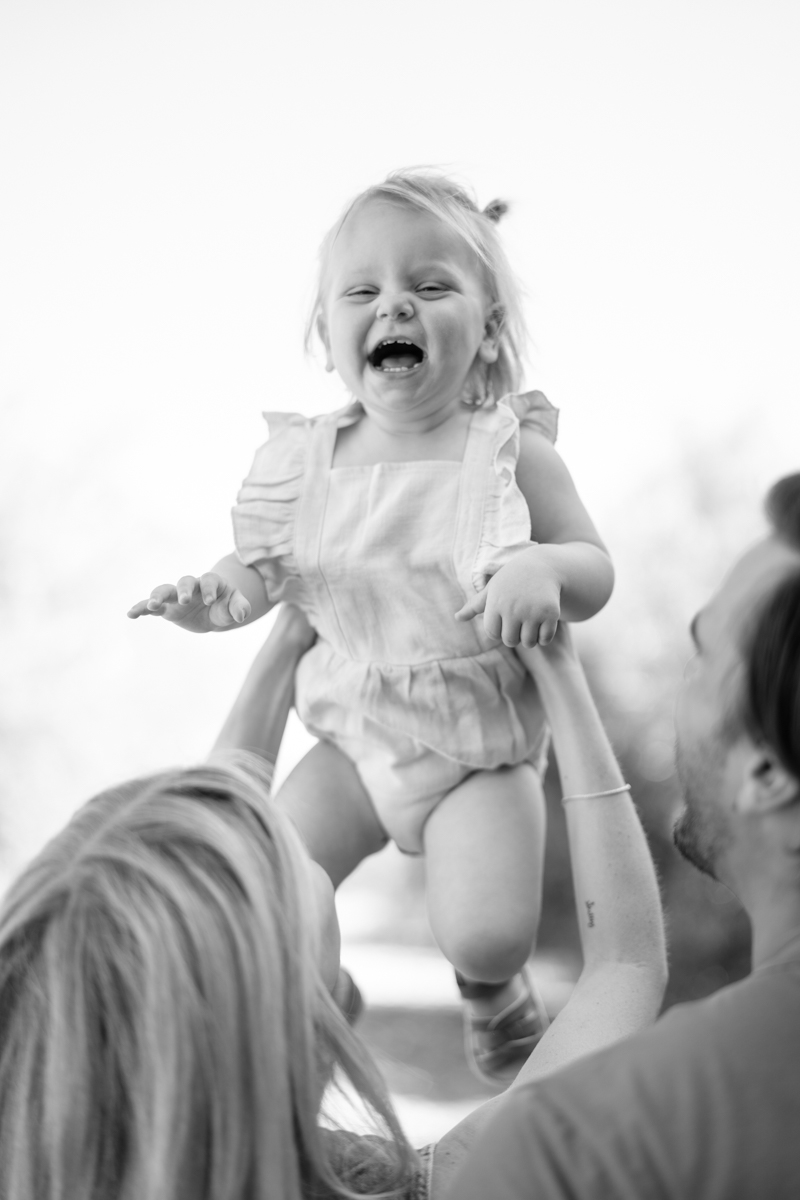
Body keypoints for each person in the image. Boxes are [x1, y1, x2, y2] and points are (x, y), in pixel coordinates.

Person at [127, 169, 615, 1082]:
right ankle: (323, 988)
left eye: (429, 287)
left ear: (488, 328)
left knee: (485, 925)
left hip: (480, 744)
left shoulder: (510, 453)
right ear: (327, 332)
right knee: (266, 878)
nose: (395, 304)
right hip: (354, 736)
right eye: (364, 291)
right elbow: (260, 577)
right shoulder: (304, 464)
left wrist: (545, 566)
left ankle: (490, 984)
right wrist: (211, 601)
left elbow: (594, 568)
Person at [0, 605, 666, 1199]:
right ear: (290, 1001)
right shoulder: (417, 1187)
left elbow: (209, 854)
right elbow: (626, 967)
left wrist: (292, 629)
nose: (282, 834)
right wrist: (560, 679)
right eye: (275, 861)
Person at [446, 472, 800, 1200]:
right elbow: (628, 964)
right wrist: (560, 675)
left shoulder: (572, 1151)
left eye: (700, 655)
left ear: (766, 770)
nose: (679, 687)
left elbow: (626, 969)